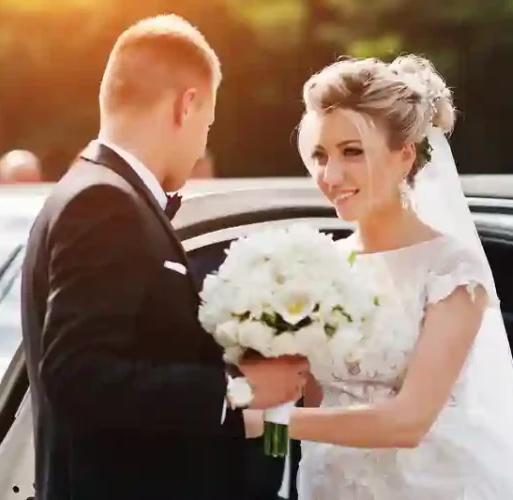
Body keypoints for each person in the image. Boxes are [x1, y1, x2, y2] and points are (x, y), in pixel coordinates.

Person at [19, 15, 308, 500]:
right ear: (186, 105)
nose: (201, 149)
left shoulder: (95, 191)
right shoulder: (104, 204)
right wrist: (238, 386)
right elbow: (78, 375)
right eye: (208, 126)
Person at [246, 55, 513, 499]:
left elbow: (409, 421)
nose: (330, 176)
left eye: (352, 152)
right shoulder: (318, 268)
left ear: (404, 155)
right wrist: (264, 418)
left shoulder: (451, 269)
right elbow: (309, 405)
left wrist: (272, 422)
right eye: (319, 156)